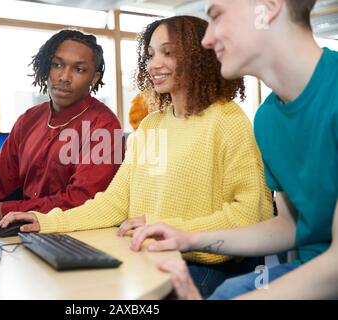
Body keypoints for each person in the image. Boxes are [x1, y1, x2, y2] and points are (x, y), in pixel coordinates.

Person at [0, 16, 274, 298]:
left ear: (197, 55)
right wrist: (44, 220)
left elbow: (248, 216)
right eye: (151, 54)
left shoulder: (228, 120)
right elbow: (115, 202)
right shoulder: (151, 125)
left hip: (199, 263)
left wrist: (169, 228)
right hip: (147, 253)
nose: (154, 63)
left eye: (168, 52)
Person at [130, 0, 338, 300]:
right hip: (309, 267)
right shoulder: (268, 119)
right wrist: (188, 237)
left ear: (268, 7)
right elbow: (291, 224)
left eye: (216, 16)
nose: (206, 39)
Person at [0, 29, 124, 217]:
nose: (64, 77)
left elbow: (82, 201)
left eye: (79, 69)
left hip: (76, 236)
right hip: (28, 231)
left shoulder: (104, 127)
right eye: (57, 65)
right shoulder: (29, 119)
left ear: (94, 77)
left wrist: (5, 210)